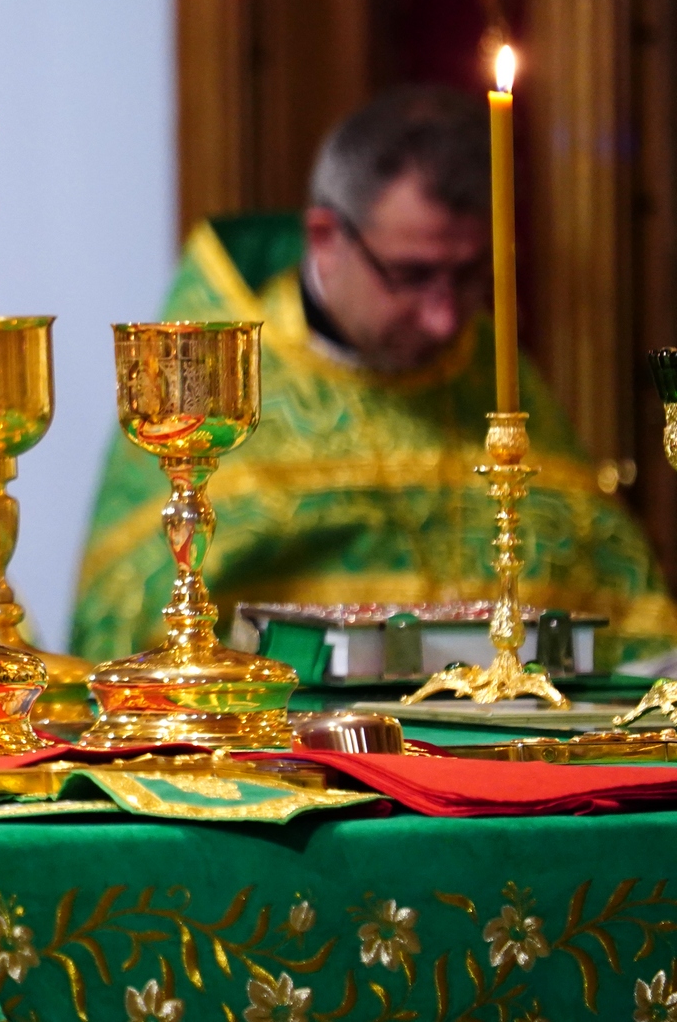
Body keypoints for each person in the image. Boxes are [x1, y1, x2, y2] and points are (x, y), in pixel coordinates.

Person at [72, 86, 677, 667]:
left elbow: (621, 615)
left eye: (469, 276)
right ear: (326, 239)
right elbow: (132, 619)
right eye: (412, 276)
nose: (445, 321)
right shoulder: (211, 383)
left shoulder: (492, 369)